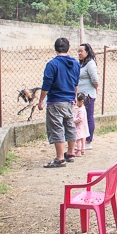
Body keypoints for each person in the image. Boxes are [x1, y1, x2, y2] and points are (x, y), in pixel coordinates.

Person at [38, 37, 81, 167]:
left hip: (56, 100)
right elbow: (76, 82)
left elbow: (46, 84)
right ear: (68, 48)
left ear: (55, 48)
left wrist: (41, 101)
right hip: (69, 100)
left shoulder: (52, 64)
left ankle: (59, 158)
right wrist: (74, 95)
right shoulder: (75, 63)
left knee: (57, 128)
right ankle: (70, 153)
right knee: (69, 125)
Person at [77, 43, 100, 146]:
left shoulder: (90, 64)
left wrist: (95, 88)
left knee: (88, 117)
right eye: (78, 51)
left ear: (87, 52)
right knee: (82, 117)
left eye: (81, 51)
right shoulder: (82, 63)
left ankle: (88, 141)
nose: (79, 53)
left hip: (88, 95)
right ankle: (82, 140)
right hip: (81, 96)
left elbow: (95, 79)